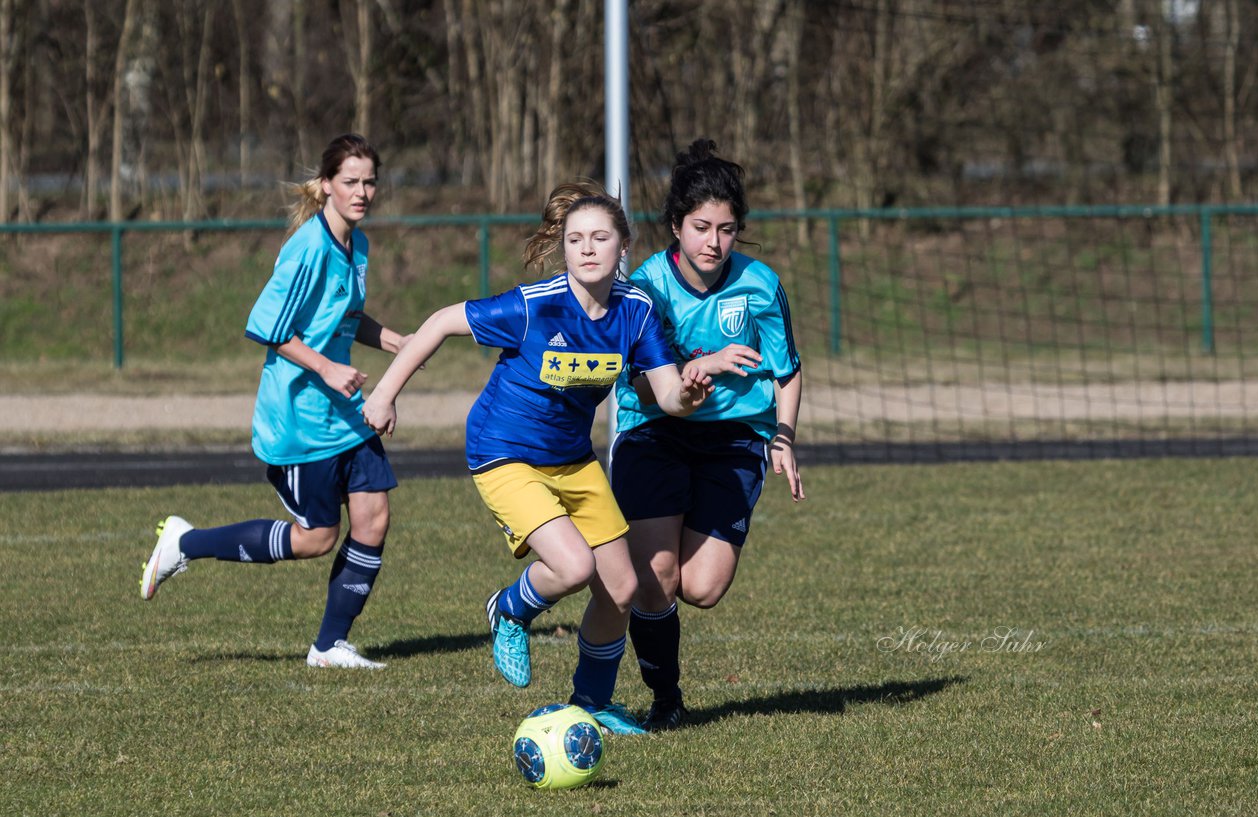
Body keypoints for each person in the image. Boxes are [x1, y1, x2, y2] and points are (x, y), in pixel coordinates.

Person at [361, 181, 712, 733]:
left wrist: (690, 392)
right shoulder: (535, 306)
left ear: (625, 246)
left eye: (600, 237)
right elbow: (441, 322)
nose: (588, 248)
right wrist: (383, 394)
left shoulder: (636, 312)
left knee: (621, 588)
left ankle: (591, 702)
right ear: (564, 248)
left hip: (572, 458)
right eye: (576, 239)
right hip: (504, 453)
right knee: (572, 567)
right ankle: (509, 609)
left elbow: (667, 395)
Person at [140, 133, 410, 670]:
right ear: (327, 185)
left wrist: (398, 344)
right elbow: (267, 327)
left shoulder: (359, 246)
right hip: (299, 418)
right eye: (350, 182)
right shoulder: (308, 247)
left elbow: (345, 318)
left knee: (374, 517)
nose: (361, 192)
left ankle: (329, 646)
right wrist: (329, 367)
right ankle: (185, 543)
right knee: (316, 539)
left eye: (369, 181)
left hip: (343, 415)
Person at [611, 139, 805, 730]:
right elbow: (641, 387)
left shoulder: (760, 284)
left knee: (703, 587)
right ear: (675, 226)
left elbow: (788, 371)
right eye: (700, 227)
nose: (713, 242)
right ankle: (665, 699)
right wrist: (692, 375)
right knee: (658, 576)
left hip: (734, 438)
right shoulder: (645, 287)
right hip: (653, 432)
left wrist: (785, 438)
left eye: (726, 229)